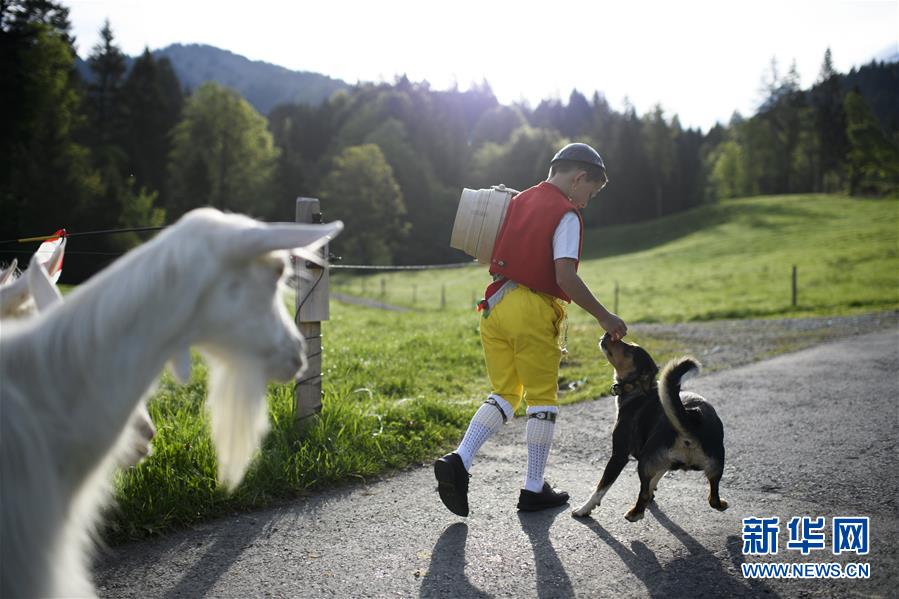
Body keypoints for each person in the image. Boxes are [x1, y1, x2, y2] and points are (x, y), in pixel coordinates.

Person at [435, 142, 628, 516]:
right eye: (591, 191)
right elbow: (565, 276)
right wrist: (604, 315)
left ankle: (459, 459)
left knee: (505, 393)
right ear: (579, 178)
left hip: (494, 305)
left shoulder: (517, 200)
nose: (587, 201)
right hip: (531, 309)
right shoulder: (566, 214)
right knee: (542, 399)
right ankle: (533, 488)